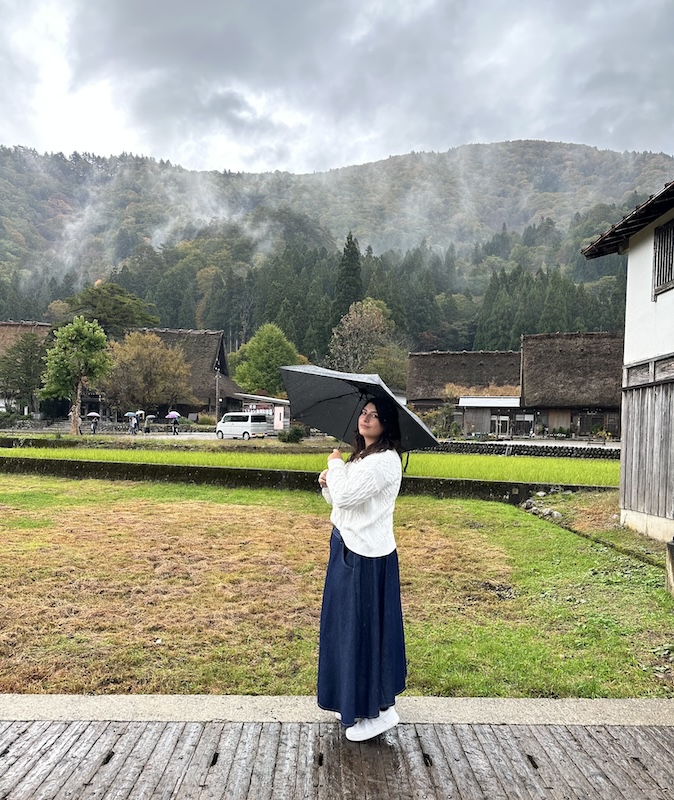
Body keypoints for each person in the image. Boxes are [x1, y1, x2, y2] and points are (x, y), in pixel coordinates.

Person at [317, 396, 406, 742]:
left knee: (365, 633)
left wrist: (335, 468)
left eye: (375, 415)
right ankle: (353, 700)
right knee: (345, 630)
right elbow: (341, 504)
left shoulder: (384, 461)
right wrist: (330, 482)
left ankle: (381, 710)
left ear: (386, 424)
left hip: (366, 558)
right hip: (347, 547)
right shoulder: (363, 457)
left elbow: (348, 497)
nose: (367, 419)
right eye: (364, 413)